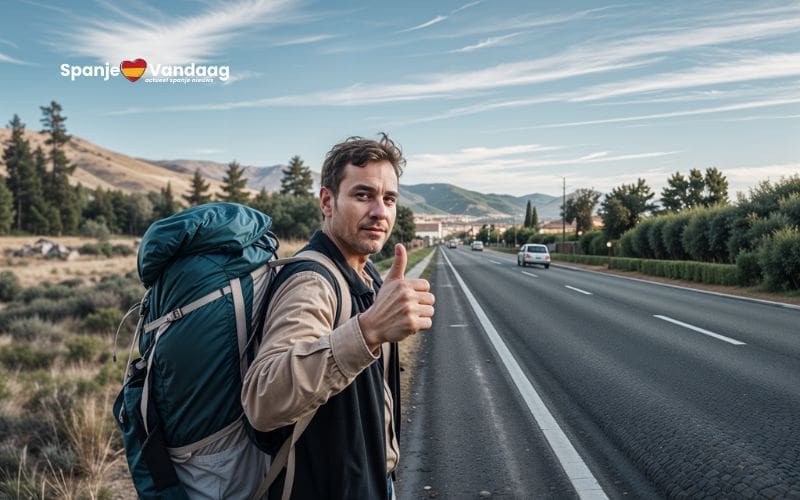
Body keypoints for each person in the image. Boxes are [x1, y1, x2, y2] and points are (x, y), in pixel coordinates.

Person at [242, 134, 435, 499]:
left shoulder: (363, 273)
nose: (380, 211)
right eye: (363, 196)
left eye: (389, 198)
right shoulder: (312, 282)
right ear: (328, 201)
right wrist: (369, 330)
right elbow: (263, 399)